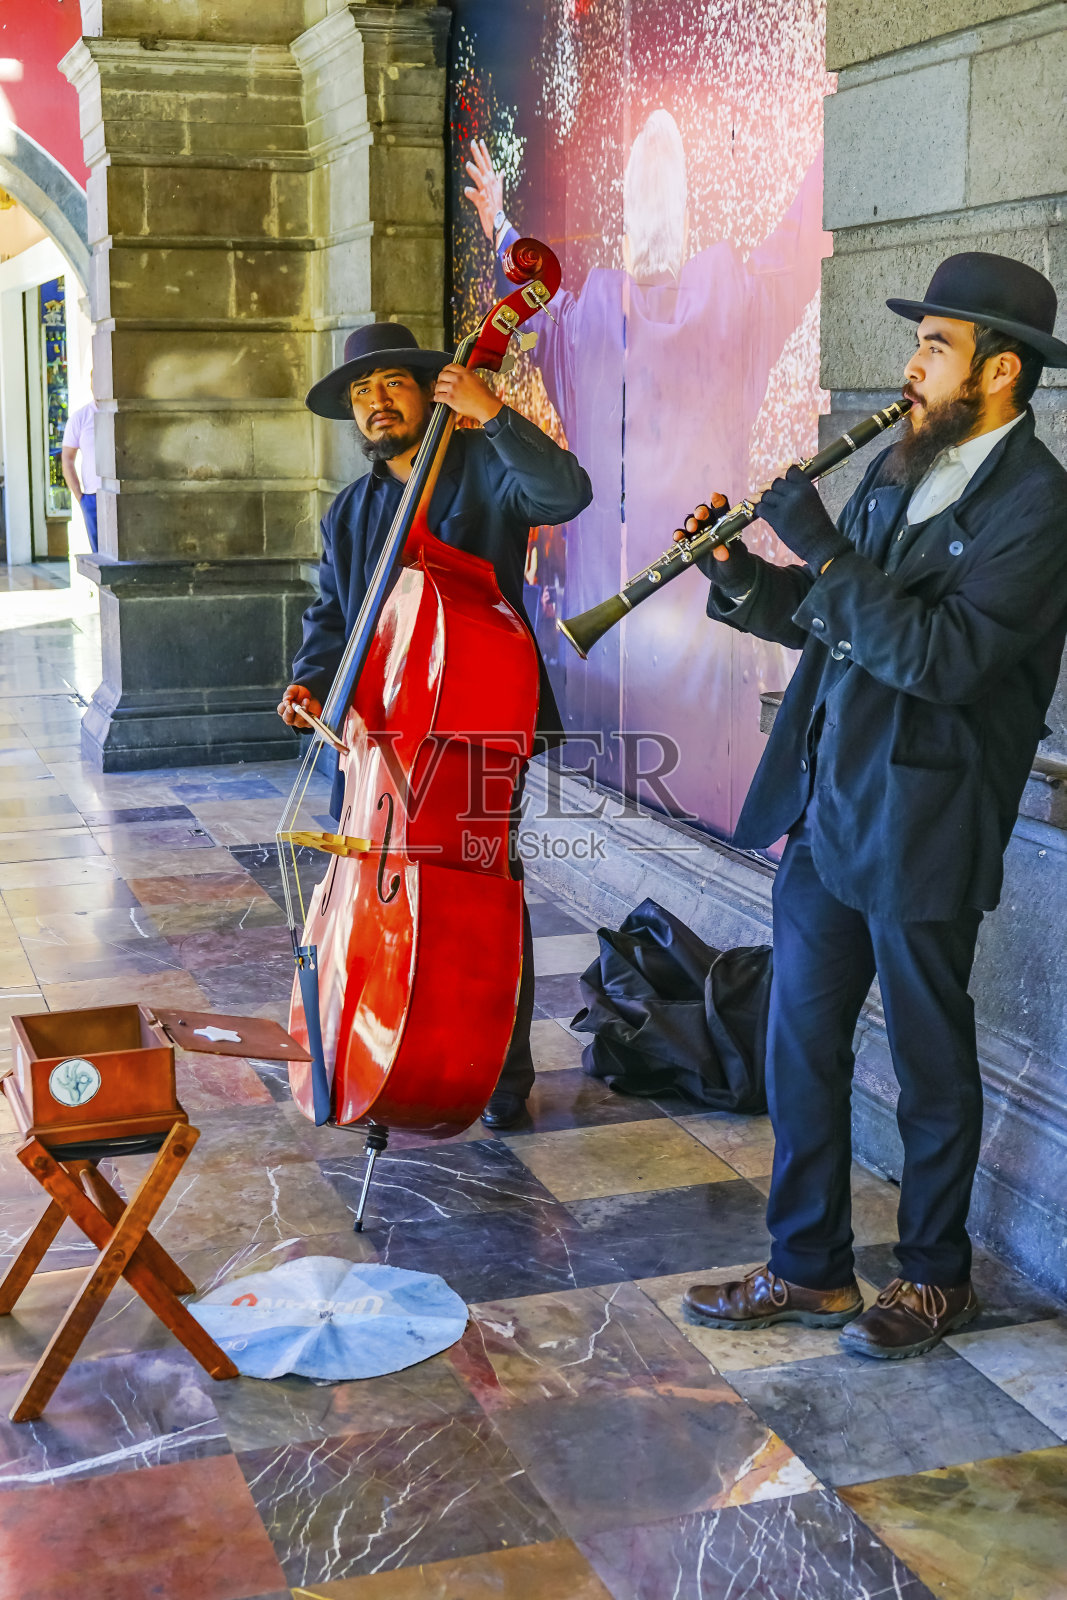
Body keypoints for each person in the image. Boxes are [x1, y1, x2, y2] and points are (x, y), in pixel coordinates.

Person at [681, 253, 1067, 1358]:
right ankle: (807, 1270)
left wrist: (820, 543)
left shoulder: (1039, 509)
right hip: (831, 799)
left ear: (999, 370)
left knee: (928, 1060)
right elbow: (838, 612)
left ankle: (936, 1277)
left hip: (925, 819)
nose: (910, 364)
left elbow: (940, 659)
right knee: (798, 1042)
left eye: (933, 346)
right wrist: (746, 578)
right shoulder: (904, 462)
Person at [277, 323, 593, 1128]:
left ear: (427, 392)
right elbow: (331, 617)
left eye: (391, 385)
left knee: (478, 898)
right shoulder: (351, 509)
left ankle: (500, 1077)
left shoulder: (486, 472)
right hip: (375, 739)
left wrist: (492, 413)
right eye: (360, 393)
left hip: (472, 732)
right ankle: (381, 1044)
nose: (375, 404)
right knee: (370, 890)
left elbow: (566, 493)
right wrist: (312, 684)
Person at [464, 119, 825, 813]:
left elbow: (532, 300)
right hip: (704, 592)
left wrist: (499, 225)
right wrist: (827, 145)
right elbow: (795, 244)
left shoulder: (585, 322)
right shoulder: (736, 306)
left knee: (626, 768)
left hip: (620, 589)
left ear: (626, 229)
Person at [61, 397, 100, 553]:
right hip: (93, 496)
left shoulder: (123, 412)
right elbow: (67, 459)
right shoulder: (81, 417)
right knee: (100, 555)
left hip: (125, 495)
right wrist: (81, 498)